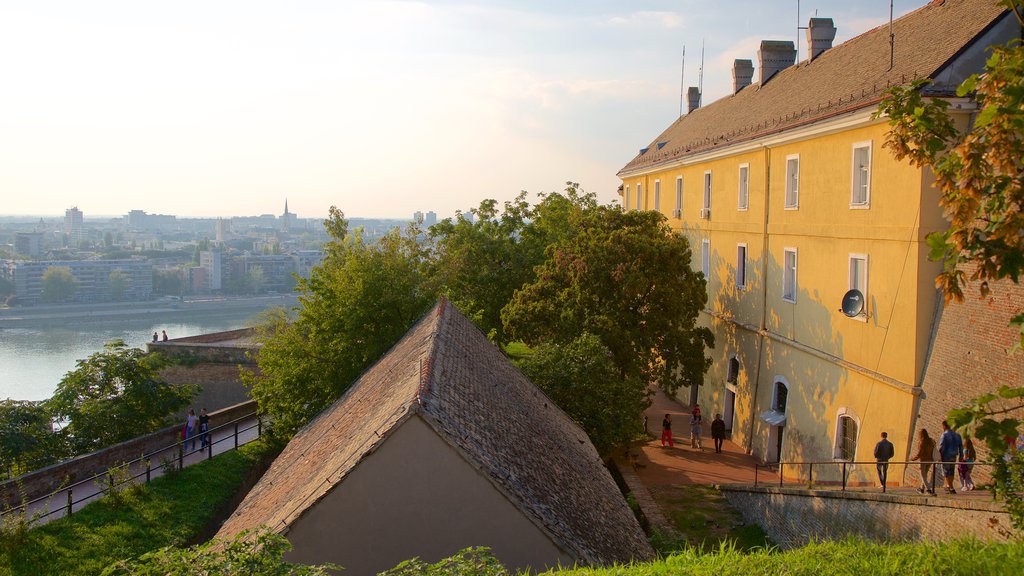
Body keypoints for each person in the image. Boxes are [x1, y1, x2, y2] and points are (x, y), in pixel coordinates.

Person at [938, 420, 964, 494]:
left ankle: (951, 487)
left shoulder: (944, 435)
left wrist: (939, 456)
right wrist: (961, 456)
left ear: (944, 426)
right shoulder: (957, 435)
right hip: (954, 455)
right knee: (951, 471)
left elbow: (941, 446)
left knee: (946, 471)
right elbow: (961, 447)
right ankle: (949, 486)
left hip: (946, 455)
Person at [911, 428, 937, 495]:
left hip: (923, 461)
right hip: (930, 460)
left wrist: (913, 458)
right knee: (925, 475)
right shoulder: (931, 440)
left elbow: (919, 453)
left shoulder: (922, 442)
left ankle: (928, 490)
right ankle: (922, 489)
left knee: (923, 476)